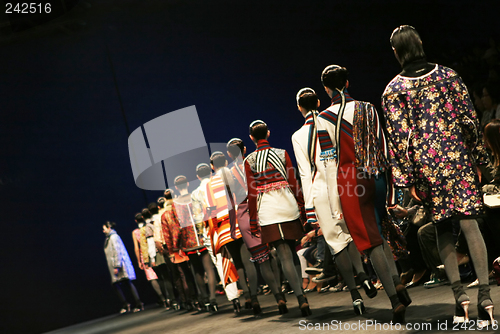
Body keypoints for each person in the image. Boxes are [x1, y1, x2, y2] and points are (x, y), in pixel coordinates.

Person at [382, 25, 492, 325]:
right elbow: (469, 120)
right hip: (458, 160)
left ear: (396, 52)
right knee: (469, 225)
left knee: (443, 229)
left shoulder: (393, 90)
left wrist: (411, 180)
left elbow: (399, 141)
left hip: (428, 169)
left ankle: (461, 301)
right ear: (419, 43)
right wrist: (480, 160)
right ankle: (485, 298)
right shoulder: (449, 76)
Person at [317, 65, 411, 323]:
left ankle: (394, 299)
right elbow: (383, 146)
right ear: (347, 82)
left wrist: (336, 202)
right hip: (376, 176)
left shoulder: (323, 118)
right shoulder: (368, 108)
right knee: (380, 230)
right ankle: (397, 282)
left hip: (350, 182)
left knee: (371, 242)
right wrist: (390, 190)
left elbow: (329, 163)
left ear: (326, 89)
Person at [292, 88, 378, 315]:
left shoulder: (298, 136)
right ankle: (364, 276)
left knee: (336, 243)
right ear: (318, 101)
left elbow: (304, 172)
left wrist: (310, 209)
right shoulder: (329, 118)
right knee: (350, 234)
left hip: (320, 189)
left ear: (299, 107)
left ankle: (355, 294)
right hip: (342, 183)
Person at [244, 121, 310, 316]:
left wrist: (253, 220)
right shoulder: (282, 153)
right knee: (291, 249)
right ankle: (302, 297)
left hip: (268, 210)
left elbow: (252, 192)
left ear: (251, 138)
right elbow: (293, 179)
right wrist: (302, 206)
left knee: (283, 254)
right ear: (269, 133)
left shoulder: (249, 160)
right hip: (287, 205)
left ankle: (299, 298)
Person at [227, 138, 286, 314]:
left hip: (245, 217)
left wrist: (232, 227)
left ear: (229, 154)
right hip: (264, 211)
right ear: (244, 149)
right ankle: (281, 295)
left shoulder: (229, 174)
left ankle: (259, 299)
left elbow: (231, 203)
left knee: (258, 261)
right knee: (274, 254)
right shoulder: (254, 163)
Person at [204, 152, 261, 316]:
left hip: (224, 227)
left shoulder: (210, 184)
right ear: (225, 161)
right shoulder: (234, 173)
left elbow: (211, 209)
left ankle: (248, 298)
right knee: (248, 260)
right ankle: (255, 297)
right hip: (240, 221)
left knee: (238, 262)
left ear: (212, 166)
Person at [191, 163, 241, 314]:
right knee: (235, 258)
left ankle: (234, 299)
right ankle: (246, 292)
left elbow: (199, 218)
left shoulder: (196, 193)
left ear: (198, 176)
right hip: (226, 224)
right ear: (210, 172)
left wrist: (203, 234)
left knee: (221, 263)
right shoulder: (217, 183)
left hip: (210, 231)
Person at [172, 175, 218, 312]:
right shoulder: (195, 195)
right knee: (208, 268)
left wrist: (176, 245)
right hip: (202, 237)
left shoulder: (175, 204)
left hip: (189, 242)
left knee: (196, 270)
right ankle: (213, 298)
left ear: (176, 187)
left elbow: (177, 227)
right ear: (187, 184)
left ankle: (204, 300)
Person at [102, 221, 143, 313]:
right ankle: (128, 304)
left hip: (120, 265)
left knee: (125, 282)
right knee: (121, 283)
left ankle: (137, 303)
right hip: (117, 264)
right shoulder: (110, 238)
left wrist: (117, 266)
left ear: (109, 228)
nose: (103, 231)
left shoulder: (113, 237)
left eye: (104, 228)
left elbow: (117, 251)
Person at [132, 213, 167, 308]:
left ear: (135, 221)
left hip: (144, 255)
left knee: (152, 277)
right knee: (160, 275)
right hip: (154, 251)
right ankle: (168, 297)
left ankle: (162, 298)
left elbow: (136, 248)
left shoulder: (136, 232)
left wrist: (139, 261)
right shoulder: (147, 227)